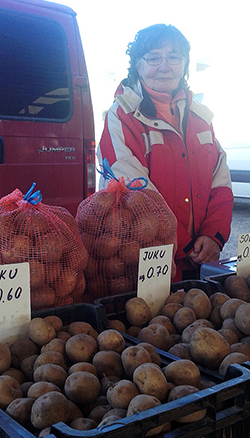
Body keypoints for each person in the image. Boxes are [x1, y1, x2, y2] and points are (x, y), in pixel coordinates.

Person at [97, 23, 233, 280]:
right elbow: (134, 192)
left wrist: (214, 236)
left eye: (173, 57)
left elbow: (221, 183)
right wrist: (183, 242)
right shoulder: (122, 117)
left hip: (201, 260)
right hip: (145, 261)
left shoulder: (201, 118)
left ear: (184, 64)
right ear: (137, 65)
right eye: (154, 57)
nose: (164, 65)